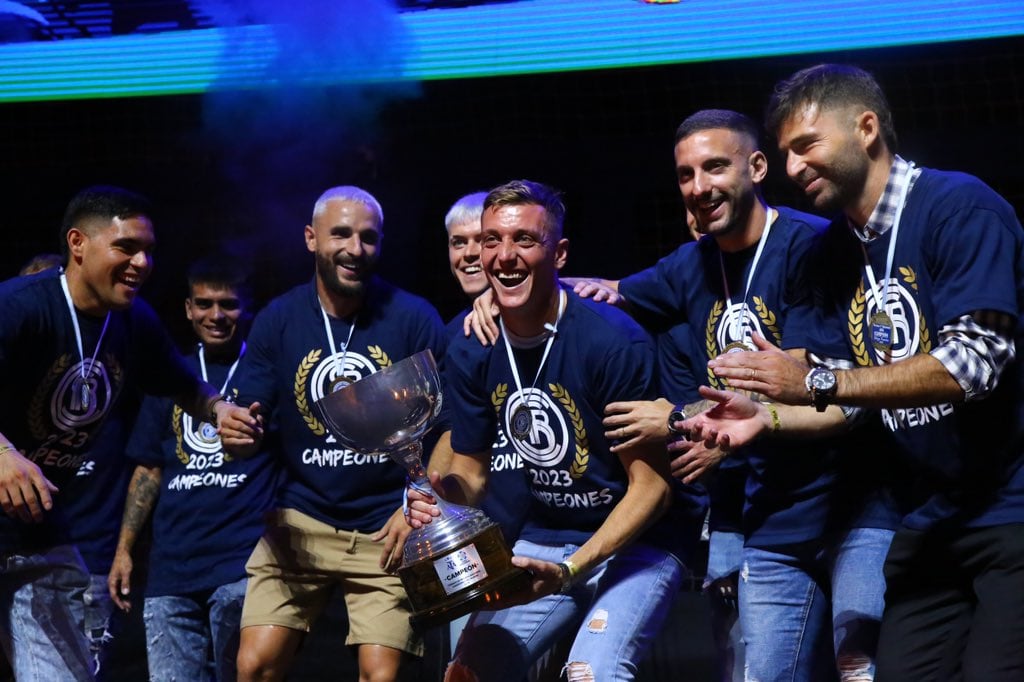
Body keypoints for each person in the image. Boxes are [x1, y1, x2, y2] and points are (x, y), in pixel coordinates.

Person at [689, 63, 1024, 682]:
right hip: (930, 515)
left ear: (866, 128)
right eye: (785, 152)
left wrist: (818, 383)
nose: (792, 168)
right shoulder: (834, 251)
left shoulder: (960, 208)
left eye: (806, 146)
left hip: (1010, 506)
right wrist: (765, 416)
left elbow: (973, 362)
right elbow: (842, 392)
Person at [408, 179, 693, 682]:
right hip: (547, 534)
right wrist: (438, 500)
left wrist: (572, 569)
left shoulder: (610, 341)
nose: (503, 255)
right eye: (491, 239)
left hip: (638, 541)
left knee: (589, 674)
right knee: (467, 674)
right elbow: (472, 476)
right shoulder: (474, 347)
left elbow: (652, 490)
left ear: (558, 253)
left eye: (524, 240)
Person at [0, 185, 261, 682]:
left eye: (148, 250)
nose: (142, 262)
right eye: (126, 247)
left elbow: (185, 386)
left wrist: (220, 409)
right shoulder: (21, 306)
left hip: (36, 530)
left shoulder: (131, 321)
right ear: (78, 243)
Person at [228, 185, 447, 682]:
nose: (355, 248)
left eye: (369, 238)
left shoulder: (413, 317)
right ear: (310, 238)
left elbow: (449, 429)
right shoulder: (279, 320)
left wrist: (416, 498)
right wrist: (237, 432)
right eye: (341, 234)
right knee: (253, 665)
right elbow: (247, 417)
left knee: (381, 674)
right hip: (300, 522)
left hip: (385, 527)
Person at [106, 256, 279, 681]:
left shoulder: (269, 375)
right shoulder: (172, 378)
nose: (216, 316)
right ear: (187, 309)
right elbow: (148, 469)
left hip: (242, 568)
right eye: (204, 304)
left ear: (249, 308)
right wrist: (124, 550)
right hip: (171, 572)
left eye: (229, 304)